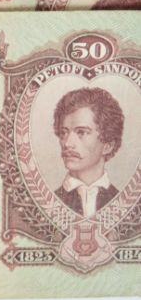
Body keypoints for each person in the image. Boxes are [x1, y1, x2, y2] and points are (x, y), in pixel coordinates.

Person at [53, 87, 124, 216]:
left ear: (107, 145)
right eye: (63, 133)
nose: (67, 144)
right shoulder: (48, 204)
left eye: (81, 132)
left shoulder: (125, 205)